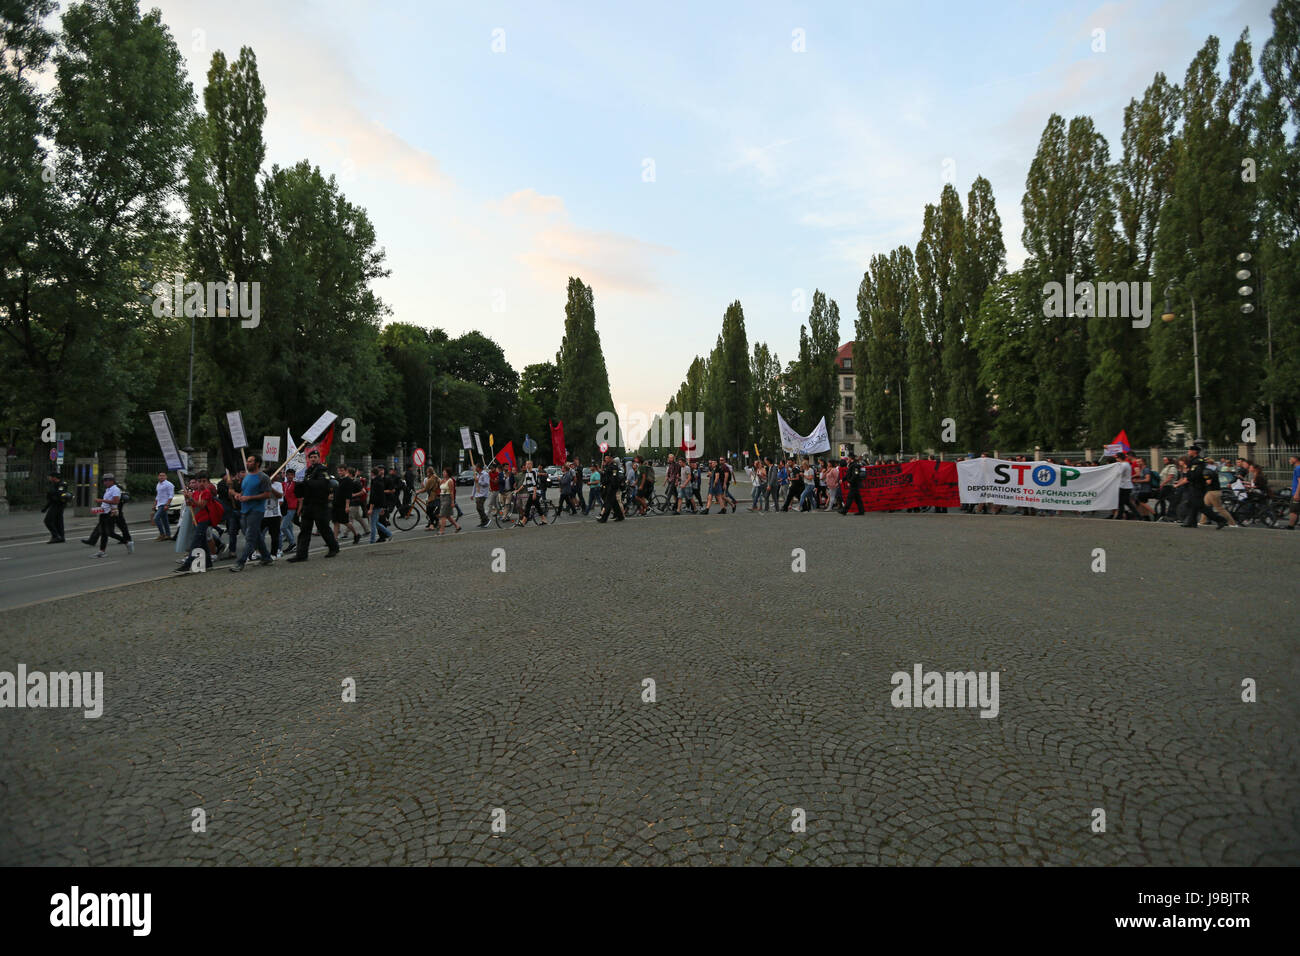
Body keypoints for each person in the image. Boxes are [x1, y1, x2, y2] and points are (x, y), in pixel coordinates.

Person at [287, 449, 340, 561]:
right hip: (308, 504)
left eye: (315, 457)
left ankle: (333, 547)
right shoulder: (308, 471)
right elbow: (304, 487)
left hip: (320, 504)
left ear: (318, 458)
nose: (313, 459)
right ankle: (301, 554)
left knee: (323, 528)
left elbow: (322, 484)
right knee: (305, 530)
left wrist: (306, 482)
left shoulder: (322, 470)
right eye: (311, 457)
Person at [230, 453, 275, 571]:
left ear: (257, 463)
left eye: (250, 461)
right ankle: (266, 557)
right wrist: (239, 495)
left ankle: (240, 562)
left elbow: (267, 494)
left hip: (256, 511)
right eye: (248, 461)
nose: (247, 463)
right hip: (244, 510)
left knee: (250, 537)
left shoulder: (263, 477)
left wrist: (249, 498)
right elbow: (245, 492)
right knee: (255, 535)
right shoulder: (247, 477)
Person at [1174, 445, 1226, 529]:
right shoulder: (1193, 461)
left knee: (1200, 506)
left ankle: (1220, 520)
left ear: (1194, 452)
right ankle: (1191, 522)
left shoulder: (1198, 461)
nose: (1188, 452)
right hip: (1194, 486)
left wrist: (1188, 475)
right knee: (1192, 504)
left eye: (1190, 450)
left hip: (1198, 487)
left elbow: (1195, 474)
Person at [175, 471, 217, 572]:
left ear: (208, 482)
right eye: (199, 481)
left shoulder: (207, 492)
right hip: (197, 519)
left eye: (204, 481)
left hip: (204, 520)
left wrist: (191, 498)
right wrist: (187, 499)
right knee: (203, 542)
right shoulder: (196, 493)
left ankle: (187, 565)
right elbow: (191, 505)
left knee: (195, 542)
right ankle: (208, 564)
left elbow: (201, 505)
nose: (201, 483)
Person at [84, 474, 131, 556]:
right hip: (104, 512)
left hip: (111, 513)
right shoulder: (108, 489)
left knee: (110, 533)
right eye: (104, 480)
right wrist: (100, 507)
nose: (104, 482)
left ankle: (126, 542)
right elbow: (107, 501)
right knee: (103, 533)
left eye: (106, 480)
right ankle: (102, 551)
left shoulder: (115, 489)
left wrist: (101, 500)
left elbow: (116, 501)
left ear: (112, 481)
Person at [515, 461, 547, 526]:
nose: (527, 465)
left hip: (535, 492)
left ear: (532, 465)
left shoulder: (533, 472)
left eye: (529, 464)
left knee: (528, 506)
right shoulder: (527, 473)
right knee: (537, 506)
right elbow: (524, 484)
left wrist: (534, 494)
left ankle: (523, 521)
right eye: (526, 464)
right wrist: (517, 490)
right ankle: (543, 519)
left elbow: (535, 484)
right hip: (531, 492)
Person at [596, 454, 625, 522]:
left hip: (611, 487)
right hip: (608, 486)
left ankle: (604, 518)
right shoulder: (607, 466)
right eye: (605, 458)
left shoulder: (613, 467)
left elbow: (614, 477)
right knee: (614, 503)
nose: (605, 459)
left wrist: (612, 486)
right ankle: (620, 516)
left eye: (607, 458)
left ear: (611, 459)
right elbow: (605, 475)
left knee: (608, 503)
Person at [368, 466, 393, 542]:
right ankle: (389, 534)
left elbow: (373, 496)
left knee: (373, 524)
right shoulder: (380, 481)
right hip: (379, 504)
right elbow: (382, 495)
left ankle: (372, 540)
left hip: (375, 505)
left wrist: (370, 508)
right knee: (376, 523)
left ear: (372, 473)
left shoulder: (375, 482)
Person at [42, 472, 68, 543]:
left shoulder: (62, 484)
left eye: (50, 477)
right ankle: (61, 537)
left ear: (54, 477)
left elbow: (59, 495)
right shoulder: (53, 484)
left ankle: (56, 536)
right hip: (54, 504)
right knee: (58, 521)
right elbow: (51, 497)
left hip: (58, 505)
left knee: (48, 521)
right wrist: (45, 508)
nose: (49, 478)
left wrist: (52, 495)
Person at [280, 469, 299, 553]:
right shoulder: (283, 484)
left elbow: (300, 498)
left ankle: (292, 544)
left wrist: (299, 509)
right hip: (284, 508)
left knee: (283, 527)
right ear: (285, 475)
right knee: (289, 527)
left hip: (292, 507)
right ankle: (292, 545)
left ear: (294, 476)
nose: (290, 476)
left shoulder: (296, 485)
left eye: (291, 475)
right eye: (288, 475)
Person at [153, 471, 175, 540]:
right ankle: (168, 535)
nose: (161, 477)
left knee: (156, 518)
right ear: (158, 477)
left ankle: (162, 534)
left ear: (166, 477)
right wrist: (155, 504)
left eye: (163, 475)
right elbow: (158, 495)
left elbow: (171, 495)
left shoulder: (169, 484)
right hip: (160, 504)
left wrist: (167, 504)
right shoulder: (158, 484)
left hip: (164, 504)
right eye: (160, 475)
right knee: (165, 520)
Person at [1284, 453, 1300, 530]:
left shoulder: (1298, 468)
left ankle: (1290, 526)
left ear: (1295, 459)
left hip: (1297, 493)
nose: (1289, 460)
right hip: (1296, 490)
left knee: (1293, 510)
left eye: (1290, 459)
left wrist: (1297, 493)